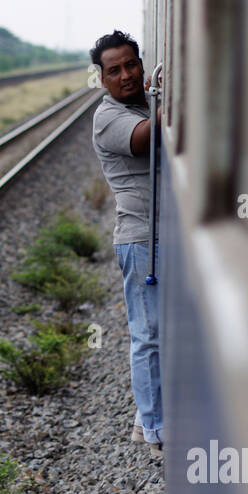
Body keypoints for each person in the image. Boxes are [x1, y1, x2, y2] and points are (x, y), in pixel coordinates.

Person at [89, 29, 164, 455]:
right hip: (139, 241)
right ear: (101, 78)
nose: (126, 75)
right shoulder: (109, 117)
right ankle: (154, 430)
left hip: (158, 237)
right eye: (114, 70)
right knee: (147, 336)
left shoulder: (140, 103)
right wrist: (175, 102)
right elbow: (144, 139)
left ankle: (145, 419)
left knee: (158, 334)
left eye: (132, 64)